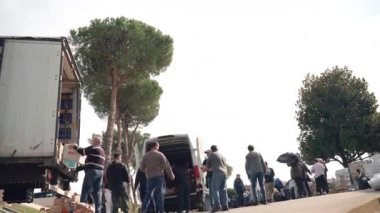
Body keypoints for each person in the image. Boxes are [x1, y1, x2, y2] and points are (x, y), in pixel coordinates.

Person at [72, 136, 105, 213]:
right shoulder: (102, 152)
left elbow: (82, 152)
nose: (91, 142)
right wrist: (77, 169)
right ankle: (98, 211)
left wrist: (75, 146)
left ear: (96, 142)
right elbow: (89, 164)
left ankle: (82, 210)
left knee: (85, 191)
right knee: (97, 194)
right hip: (100, 173)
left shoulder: (93, 148)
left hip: (92, 172)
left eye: (93, 141)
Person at [140, 141, 175, 213]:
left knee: (148, 194)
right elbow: (167, 166)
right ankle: (161, 210)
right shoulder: (160, 155)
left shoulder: (145, 156)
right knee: (159, 194)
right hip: (159, 176)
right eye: (158, 146)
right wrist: (171, 175)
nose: (158, 147)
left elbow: (141, 168)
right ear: (155, 146)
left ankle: (143, 210)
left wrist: (147, 172)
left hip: (150, 177)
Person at [206, 145, 229, 212]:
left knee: (215, 189)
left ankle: (217, 205)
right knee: (223, 190)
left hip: (217, 172)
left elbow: (208, 165)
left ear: (211, 149)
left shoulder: (212, 155)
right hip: (224, 173)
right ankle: (225, 205)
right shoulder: (222, 155)